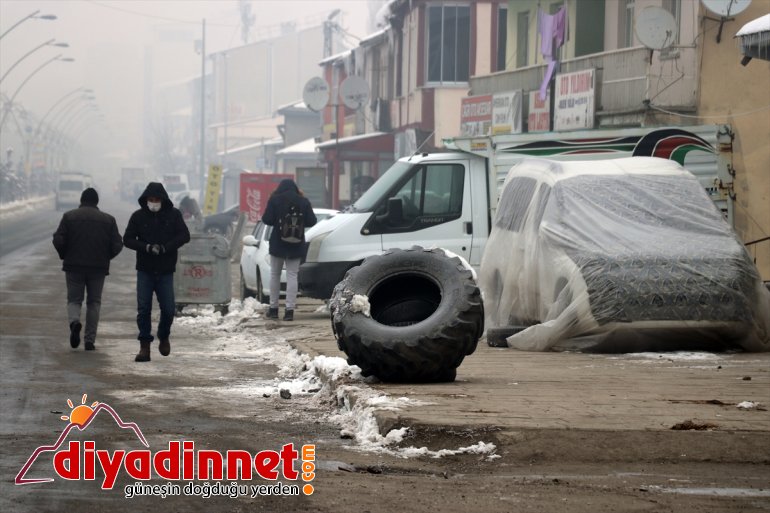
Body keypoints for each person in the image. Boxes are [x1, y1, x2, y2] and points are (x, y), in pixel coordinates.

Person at [123, 182, 190, 362]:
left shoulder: (173, 215)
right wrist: (145, 247)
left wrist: (165, 248)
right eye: (150, 199)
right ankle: (144, 347)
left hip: (166, 270)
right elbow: (127, 239)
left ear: (163, 199)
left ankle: (164, 334)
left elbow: (184, 235)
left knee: (168, 309)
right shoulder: (138, 217)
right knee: (143, 309)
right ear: (145, 200)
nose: (153, 202)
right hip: (145, 269)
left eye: (156, 199)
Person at [52, 188, 123, 351]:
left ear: (81, 200)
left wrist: (64, 254)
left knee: (74, 300)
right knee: (94, 302)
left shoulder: (69, 217)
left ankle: (75, 322)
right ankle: (89, 340)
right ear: (97, 202)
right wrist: (106, 258)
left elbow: (58, 239)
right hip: (98, 268)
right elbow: (118, 244)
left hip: (74, 267)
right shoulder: (109, 220)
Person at [261, 178, 316, 321]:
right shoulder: (303, 201)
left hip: (278, 243)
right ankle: (289, 311)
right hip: (296, 243)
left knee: (275, 275)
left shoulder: (275, 199)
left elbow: (266, 219)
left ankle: (273, 309)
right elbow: (312, 221)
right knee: (292, 275)